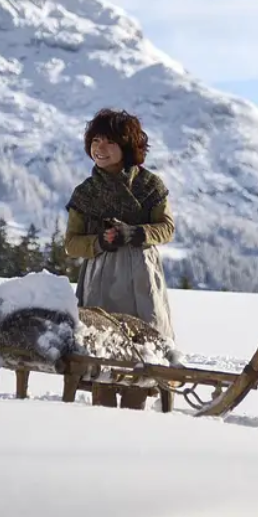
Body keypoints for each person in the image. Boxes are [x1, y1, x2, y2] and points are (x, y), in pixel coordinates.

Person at [63, 108, 177, 410]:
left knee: (143, 347)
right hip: (100, 276)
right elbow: (72, 244)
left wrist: (135, 234)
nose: (100, 148)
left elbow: (166, 228)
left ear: (127, 146)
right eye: (95, 140)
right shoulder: (85, 193)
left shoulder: (150, 185)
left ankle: (134, 415)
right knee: (101, 348)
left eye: (109, 141)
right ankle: (102, 414)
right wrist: (99, 241)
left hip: (141, 276)